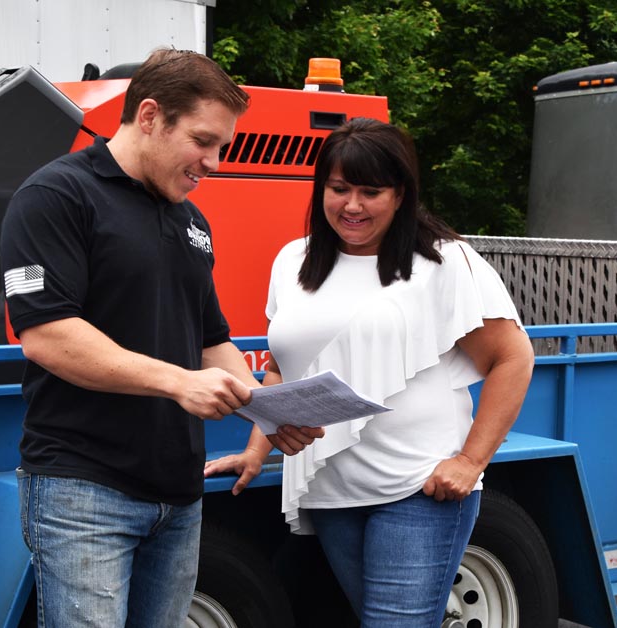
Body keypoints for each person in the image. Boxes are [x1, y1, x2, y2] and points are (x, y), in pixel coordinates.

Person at [0, 48, 321, 628]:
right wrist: (179, 384)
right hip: (83, 489)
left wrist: (271, 414)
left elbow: (210, 341)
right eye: (203, 141)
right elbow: (47, 336)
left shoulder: (191, 221)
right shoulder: (55, 196)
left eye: (221, 146)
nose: (215, 163)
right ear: (149, 116)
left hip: (179, 492)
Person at [205, 117, 536, 626]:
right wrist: (256, 448)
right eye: (338, 189)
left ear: (401, 195)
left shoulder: (445, 263)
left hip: (418, 487)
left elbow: (513, 357)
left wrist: (470, 462)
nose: (352, 205)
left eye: (370, 191)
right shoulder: (294, 260)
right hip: (332, 490)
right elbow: (282, 368)